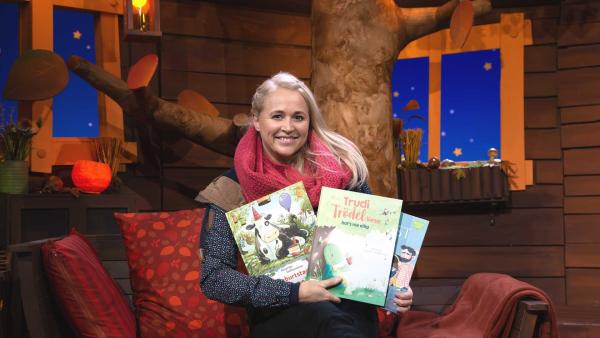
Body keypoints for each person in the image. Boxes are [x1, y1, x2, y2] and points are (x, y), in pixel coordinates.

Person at [197, 72, 413, 338]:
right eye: (277, 116)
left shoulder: (344, 173)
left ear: (309, 121)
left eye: (298, 117)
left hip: (349, 309)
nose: (288, 126)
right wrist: (295, 292)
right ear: (256, 120)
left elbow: (379, 246)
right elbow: (214, 279)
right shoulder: (230, 189)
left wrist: (395, 285)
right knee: (324, 318)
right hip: (282, 311)